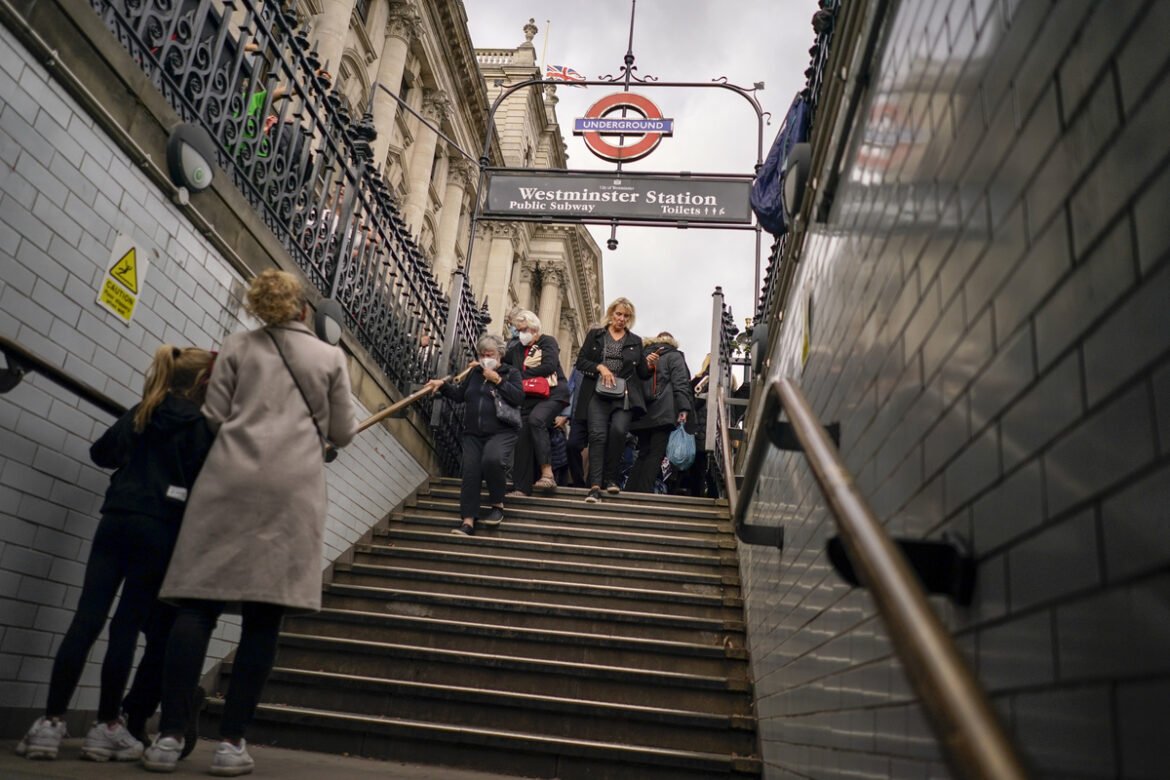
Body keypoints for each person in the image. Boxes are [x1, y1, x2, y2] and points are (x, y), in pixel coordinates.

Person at [142, 269, 355, 775]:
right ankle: (231, 742)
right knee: (264, 619)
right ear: (304, 309)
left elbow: (214, 415)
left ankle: (169, 737)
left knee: (197, 608)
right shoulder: (329, 358)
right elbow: (344, 431)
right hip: (290, 493)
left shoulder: (237, 346)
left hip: (227, 484)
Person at [15, 346, 216, 763]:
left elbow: (101, 453)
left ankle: (49, 724)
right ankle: (107, 727)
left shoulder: (144, 409)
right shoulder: (200, 426)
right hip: (159, 527)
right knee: (125, 627)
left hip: (117, 517)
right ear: (202, 384)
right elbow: (206, 481)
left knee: (85, 619)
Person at [424, 334, 524, 535]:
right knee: (471, 472)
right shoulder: (474, 373)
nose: (486, 357)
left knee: (492, 460)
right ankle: (468, 520)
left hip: (502, 430)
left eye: (491, 354)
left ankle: (497, 504)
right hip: (473, 433)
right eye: (483, 354)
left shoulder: (511, 373)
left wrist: (497, 380)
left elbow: (518, 397)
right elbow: (461, 395)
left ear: (500, 355)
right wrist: (442, 386)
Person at [574, 297, 652, 503]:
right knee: (597, 436)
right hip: (597, 393)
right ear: (611, 314)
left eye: (626, 316)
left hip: (623, 394)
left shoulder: (635, 340)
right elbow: (581, 362)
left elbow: (643, 373)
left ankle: (611, 479)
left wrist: (650, 364)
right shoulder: (596, 335)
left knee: (618, 432)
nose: (621, 319)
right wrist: (600, 367)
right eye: (618, 314)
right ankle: (594, 486)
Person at [504, 310, 569, 495]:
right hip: (531, 396)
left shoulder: (547, 341)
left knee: (536, 420)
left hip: (554, 393)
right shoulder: (516, 350)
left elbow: (549, 366)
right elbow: (502, 362)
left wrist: (518, 377)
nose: (520, 333)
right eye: (518, 330)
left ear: (534, 328)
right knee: (523, 435)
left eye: (523, 329)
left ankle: (547, 474)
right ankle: (521, 487)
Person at [627, 332, 693, 494]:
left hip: (641, 410)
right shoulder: (674, 355)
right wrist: (683, 408)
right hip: (664, 411)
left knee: (643, 452)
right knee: (656, 453)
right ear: (672, 342)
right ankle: (643, 492)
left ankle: (629, 490)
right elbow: (680, 382)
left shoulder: (643, 354)